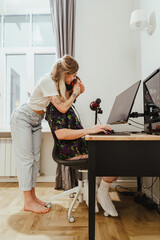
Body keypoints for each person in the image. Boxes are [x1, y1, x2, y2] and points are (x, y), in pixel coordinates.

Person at [45, 55, 118, 217]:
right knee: (115, 157)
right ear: (66, 78)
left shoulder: (67, 105)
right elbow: (61, 134)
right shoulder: (55, 105)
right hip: (69, 151)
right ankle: (102, 192)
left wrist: (94, 128)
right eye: (73, 78)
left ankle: (97, 187)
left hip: (78, 145)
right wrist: (89, 130)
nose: (77, 82)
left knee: (113, 148)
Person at [10, 55, 82, 214]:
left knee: (35, 159)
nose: (74, 77)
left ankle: (33, 198)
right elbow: (63, 108)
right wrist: (75, 93)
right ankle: (27, 201)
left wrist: (75, 90)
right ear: (65, 72)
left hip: (36, 121)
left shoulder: (57, 85)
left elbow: (64, 104)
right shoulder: (47, 81)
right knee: (26, 160)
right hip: (23, 118)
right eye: (73, 74)